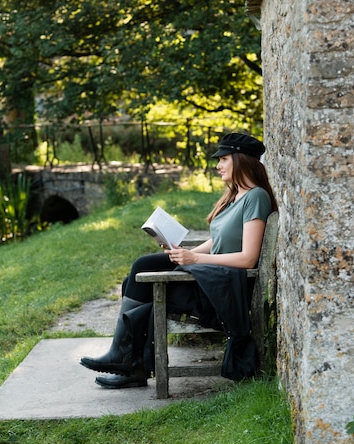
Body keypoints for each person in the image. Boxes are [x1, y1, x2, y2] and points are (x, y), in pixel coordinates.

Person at [80, 132, 278, 388]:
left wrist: (194, 258)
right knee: (140, 270)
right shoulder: (235, 196)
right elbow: (217, 242)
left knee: (143, 277)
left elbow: (248, 258)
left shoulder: (256, 197)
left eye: (224, 159)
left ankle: (127, 361)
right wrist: (182, 251)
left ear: (241, 160)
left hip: (224, 289)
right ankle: (128, 362)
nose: (218, 165)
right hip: (213, 277)